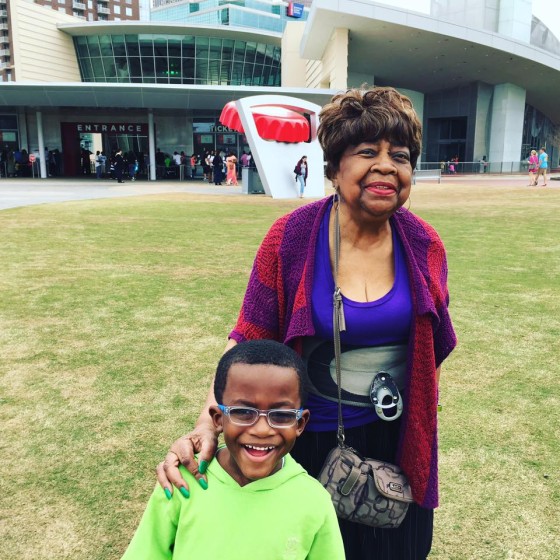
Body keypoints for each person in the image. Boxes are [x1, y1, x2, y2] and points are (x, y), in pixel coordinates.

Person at [157, 86, 457, 560]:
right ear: (334, 168)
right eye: (367, 152)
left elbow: (431, 350)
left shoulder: (424, 244)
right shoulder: (292, 237)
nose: (386, 166)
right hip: (309, 439)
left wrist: (420, 424)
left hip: (399, 440)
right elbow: (248, 340)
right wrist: (206, 425)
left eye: (400, 156)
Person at [122, 340, 344, 560]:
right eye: (243, 412)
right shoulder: (181, 481)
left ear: (300, 424)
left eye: (281, 415)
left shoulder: (314, 502)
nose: (262, 430)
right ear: (218, 419)